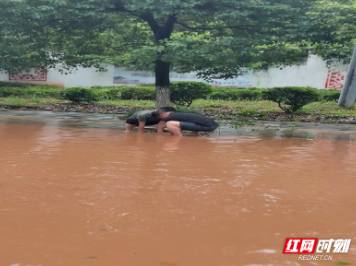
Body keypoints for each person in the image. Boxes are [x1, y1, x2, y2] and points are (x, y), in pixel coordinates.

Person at [153, 111, 218, 136]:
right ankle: (196, 136)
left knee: (170, 123)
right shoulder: (176, 114)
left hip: (208, 126)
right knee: (176, 124)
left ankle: (178, 138)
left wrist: (159, 136)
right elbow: (191, 122)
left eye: (160, 118)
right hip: (211, 125)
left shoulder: (170, 117)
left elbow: (160, 125)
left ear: (161, 116)